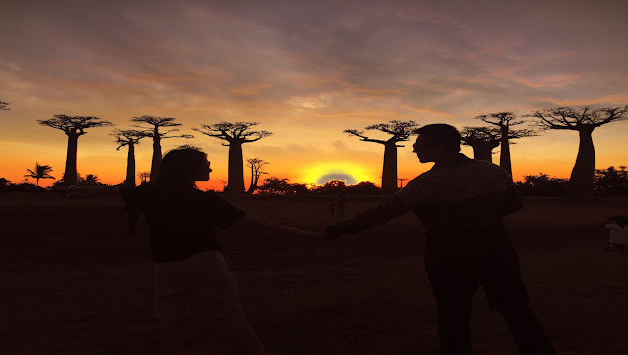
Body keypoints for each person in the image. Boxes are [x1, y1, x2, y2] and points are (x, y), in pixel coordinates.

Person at [326, 124, 554, 355]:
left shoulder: (426, 183)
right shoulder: (492, 171)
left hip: (448, 257)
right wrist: (480, 219)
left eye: (419, 144)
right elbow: (515, 203)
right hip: (497, 251)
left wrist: (336, 230)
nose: (414, 149)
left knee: (452, 318)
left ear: (439, 147)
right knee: (519, 313)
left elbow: (383, 212)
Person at [120, 147, 315, 355]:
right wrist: (302, 234)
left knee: (170, 325)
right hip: (205, 263)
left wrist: (82, 189)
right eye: (206, 165)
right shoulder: (203, 200)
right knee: (232, 319)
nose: (210, 170)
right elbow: (250, 223)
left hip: (165, 266)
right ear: (189, 170)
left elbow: (113, 190)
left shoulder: (147, 194)